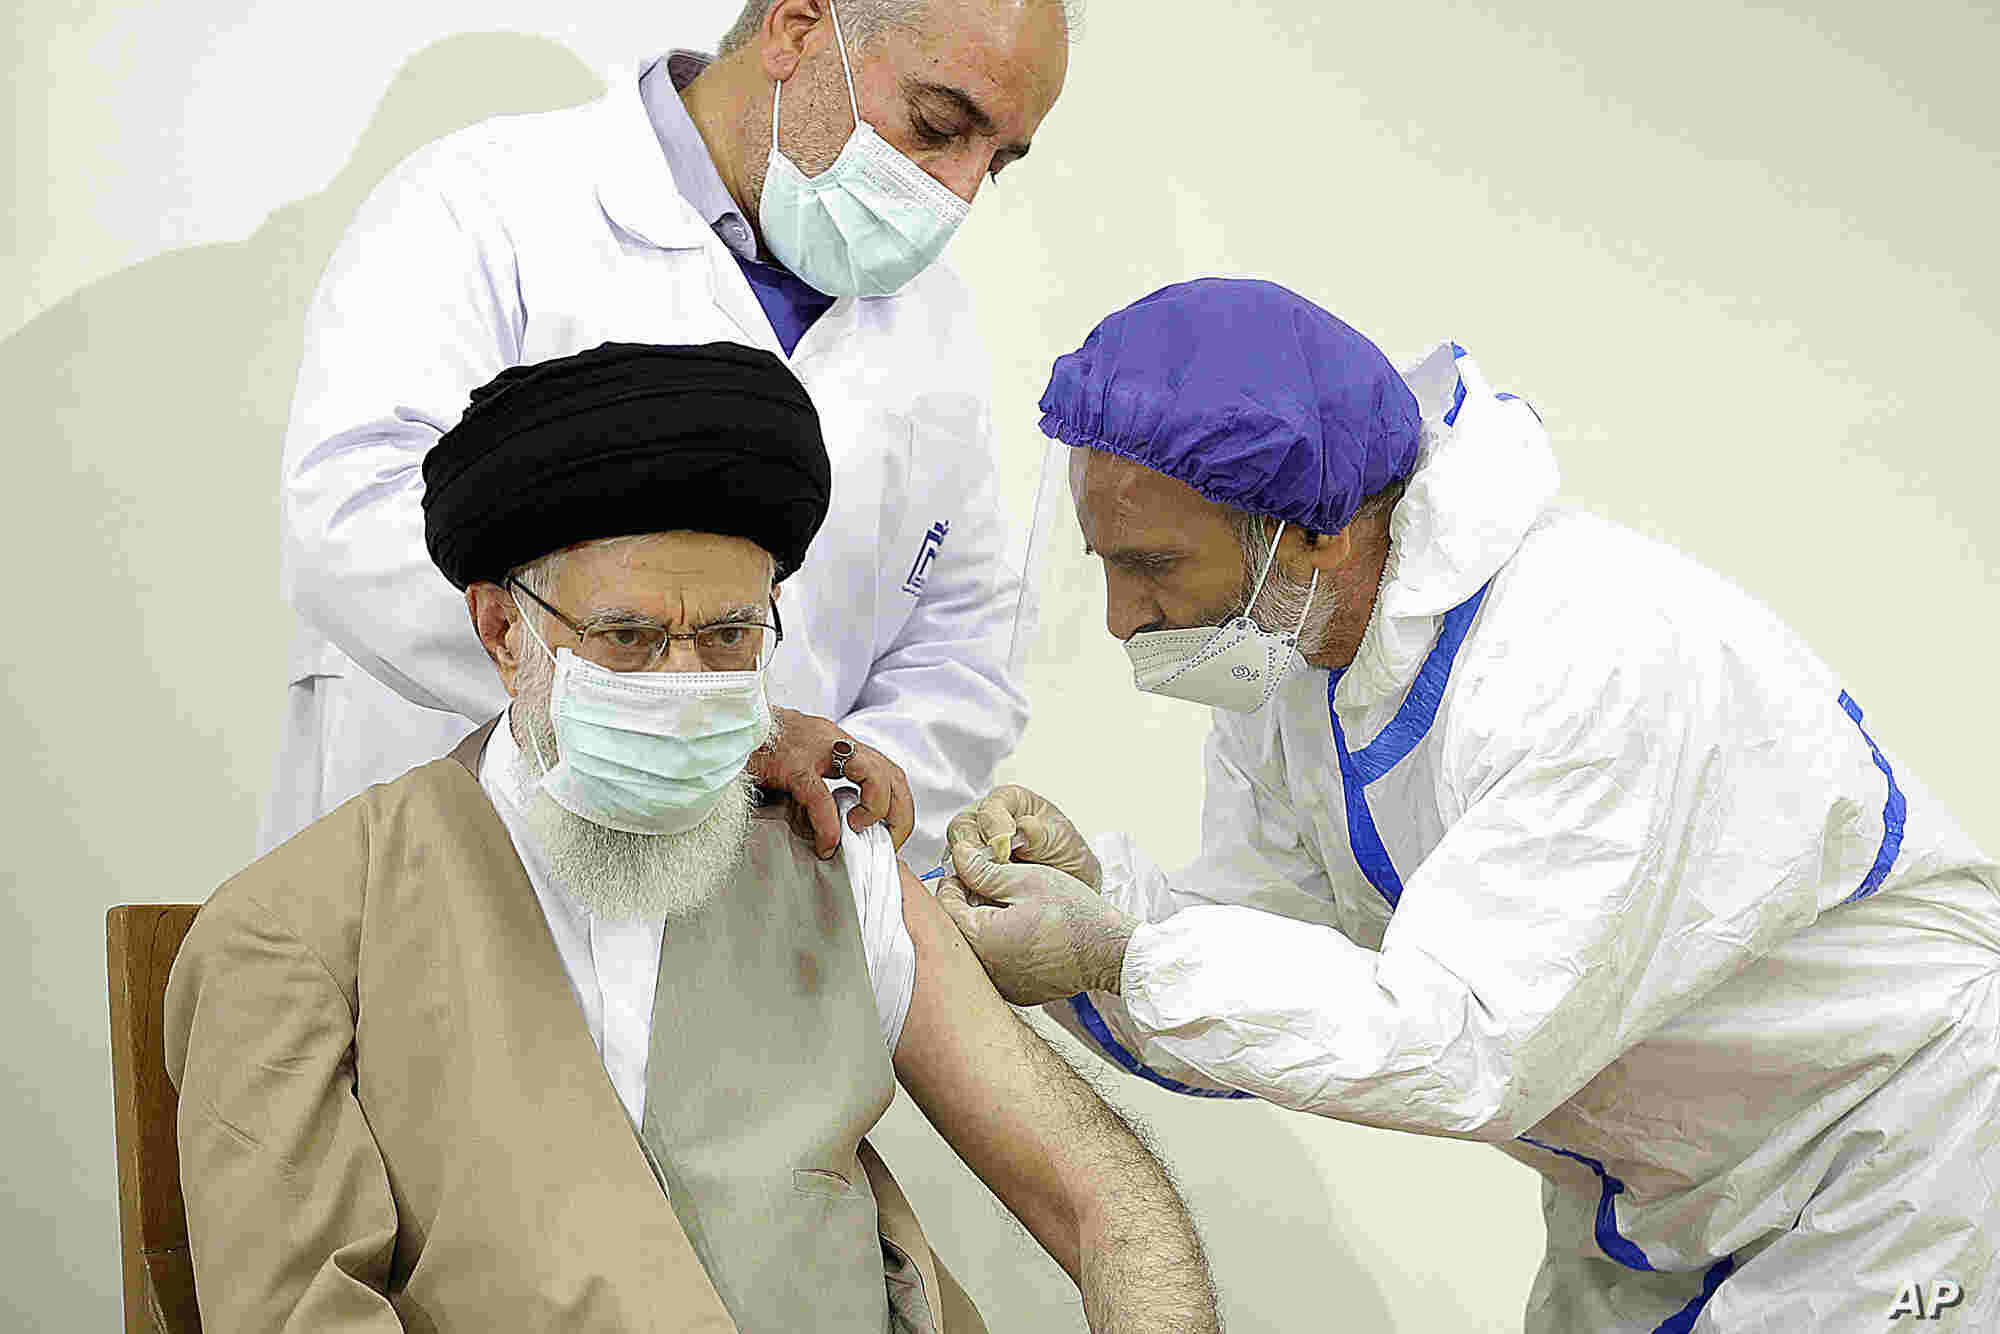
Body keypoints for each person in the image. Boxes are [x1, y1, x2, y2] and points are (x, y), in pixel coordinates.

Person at [939, 278, 2000, 1332]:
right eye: (1107, 565)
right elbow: (1273, 965)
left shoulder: (1587, 656)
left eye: (1152, 565)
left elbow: (1460, 1041)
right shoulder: (1294, 665)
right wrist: (1095, 904)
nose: (1123, 618)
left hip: (1898, 1158)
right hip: (1655, 1191)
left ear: (1314, 534)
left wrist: (1113, 953)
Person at [167, 343, 1218, 1333]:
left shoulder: (829, 853)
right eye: (627, 638)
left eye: (727, 636)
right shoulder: (301, 928)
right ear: (501, 630)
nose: (683, 684)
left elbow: (1103, 1198)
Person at [269, 0, 1071, 867]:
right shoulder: (480, 207)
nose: (959, 192)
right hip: (460, 858)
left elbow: (962, 643)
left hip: (775, 887)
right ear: (798, 30)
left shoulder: (938, 322)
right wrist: (713, 732)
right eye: (940, 124)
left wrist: (836, 788)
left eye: (998, 164)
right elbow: (353, 530)